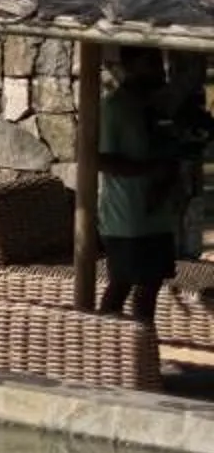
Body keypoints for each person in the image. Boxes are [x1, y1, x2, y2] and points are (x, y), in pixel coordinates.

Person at [99, 47, 187, 326]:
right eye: (151, 63)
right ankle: (104, 350)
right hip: (127, 219)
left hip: (157, 217)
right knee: (121, 287)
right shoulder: (114, 107)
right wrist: (151, 170)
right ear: (130, 65)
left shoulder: (156, 106)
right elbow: (101, 160)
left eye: (159, 63)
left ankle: (140, 353)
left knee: (150, 289)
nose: (159, 71)